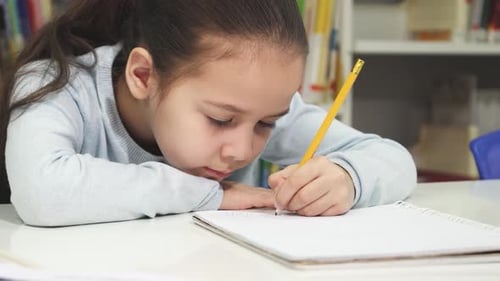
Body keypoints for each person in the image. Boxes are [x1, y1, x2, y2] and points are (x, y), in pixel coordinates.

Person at [0, 0, 416, 227]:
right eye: (220, 120)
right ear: (143, 75)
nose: (240, 150)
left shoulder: (253, 101)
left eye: (267, 123)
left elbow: (395, 160)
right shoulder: (55, 84)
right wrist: (211, 195)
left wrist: (347, 179)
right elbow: (42, 192)